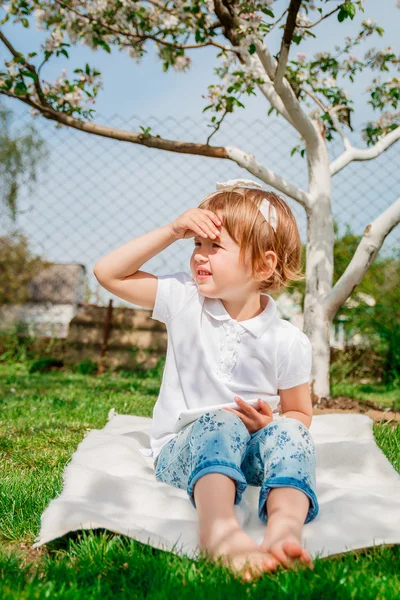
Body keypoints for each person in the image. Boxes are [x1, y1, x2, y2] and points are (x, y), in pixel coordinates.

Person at [93, 179, 319, 582]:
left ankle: (284, 533)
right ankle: (220, 534)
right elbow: (107, 273)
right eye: (197, 244)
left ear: (264, 265)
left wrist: (273, 424)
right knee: (223, 419)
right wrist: (171, 230)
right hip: (185, 451)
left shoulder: (287, 340)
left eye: (215, 247)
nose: (200, 256)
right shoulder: (184, 299)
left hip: (250, 456)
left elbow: (300, 411)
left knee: (292, 434)